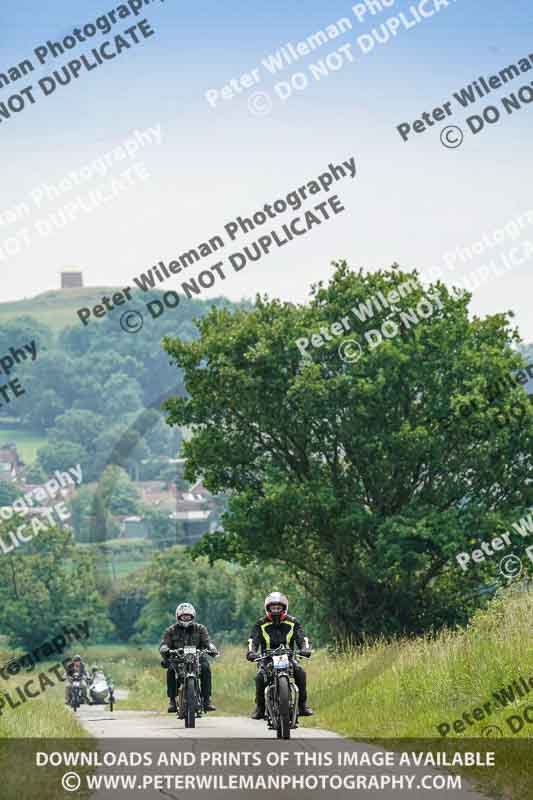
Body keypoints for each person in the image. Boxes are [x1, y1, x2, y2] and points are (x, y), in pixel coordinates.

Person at [247, 591, 313, 720]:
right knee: (260, 677)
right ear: (268, 608)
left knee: (300, 672)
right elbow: (252, 641)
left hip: (288, 657)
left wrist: (305, 649)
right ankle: (260, 708)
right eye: (273, 608)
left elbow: (302, 638)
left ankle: (302, 706)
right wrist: (251, 652)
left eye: (279, 608)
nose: (276, 611)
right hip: (267, 658)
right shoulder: (260, 624)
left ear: (284, 608)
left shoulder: (293, 622)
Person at [159, 602, 218, 713]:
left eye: (188, 616)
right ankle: (172, 700)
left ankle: (207, 700)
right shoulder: (171, 630)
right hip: (178, 658)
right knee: (171, 670)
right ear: (178, 616)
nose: (186, 618)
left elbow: (207, 642)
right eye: (183, 616)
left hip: (197, 658)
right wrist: (165, 649)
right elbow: (164, 643)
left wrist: (211, 648)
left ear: (193, 616)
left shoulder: (200, 629)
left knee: (206, 668)